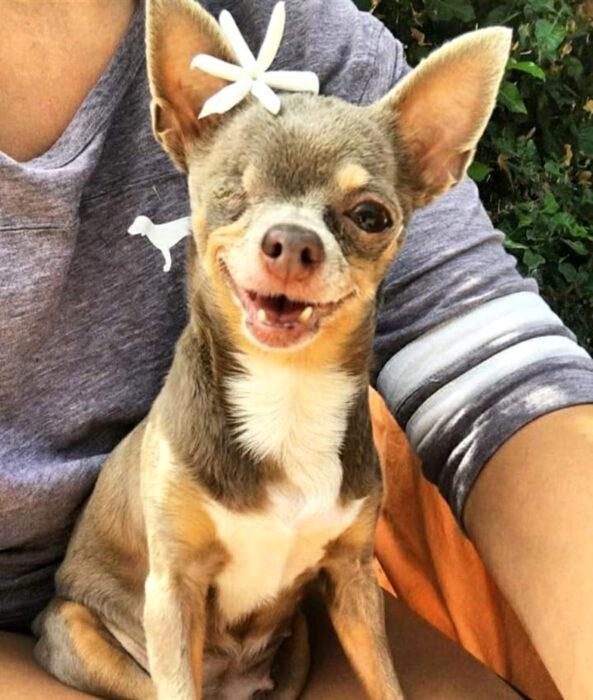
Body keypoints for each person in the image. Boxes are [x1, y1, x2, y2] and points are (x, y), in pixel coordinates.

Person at [1, 1, 591, 698]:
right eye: (239, 201)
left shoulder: (303, 32)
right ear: (181, 121)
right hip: (97, 633)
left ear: (433, 165)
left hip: (275, 635)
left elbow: (498, 369)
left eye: (364, 217)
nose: (291, 247)